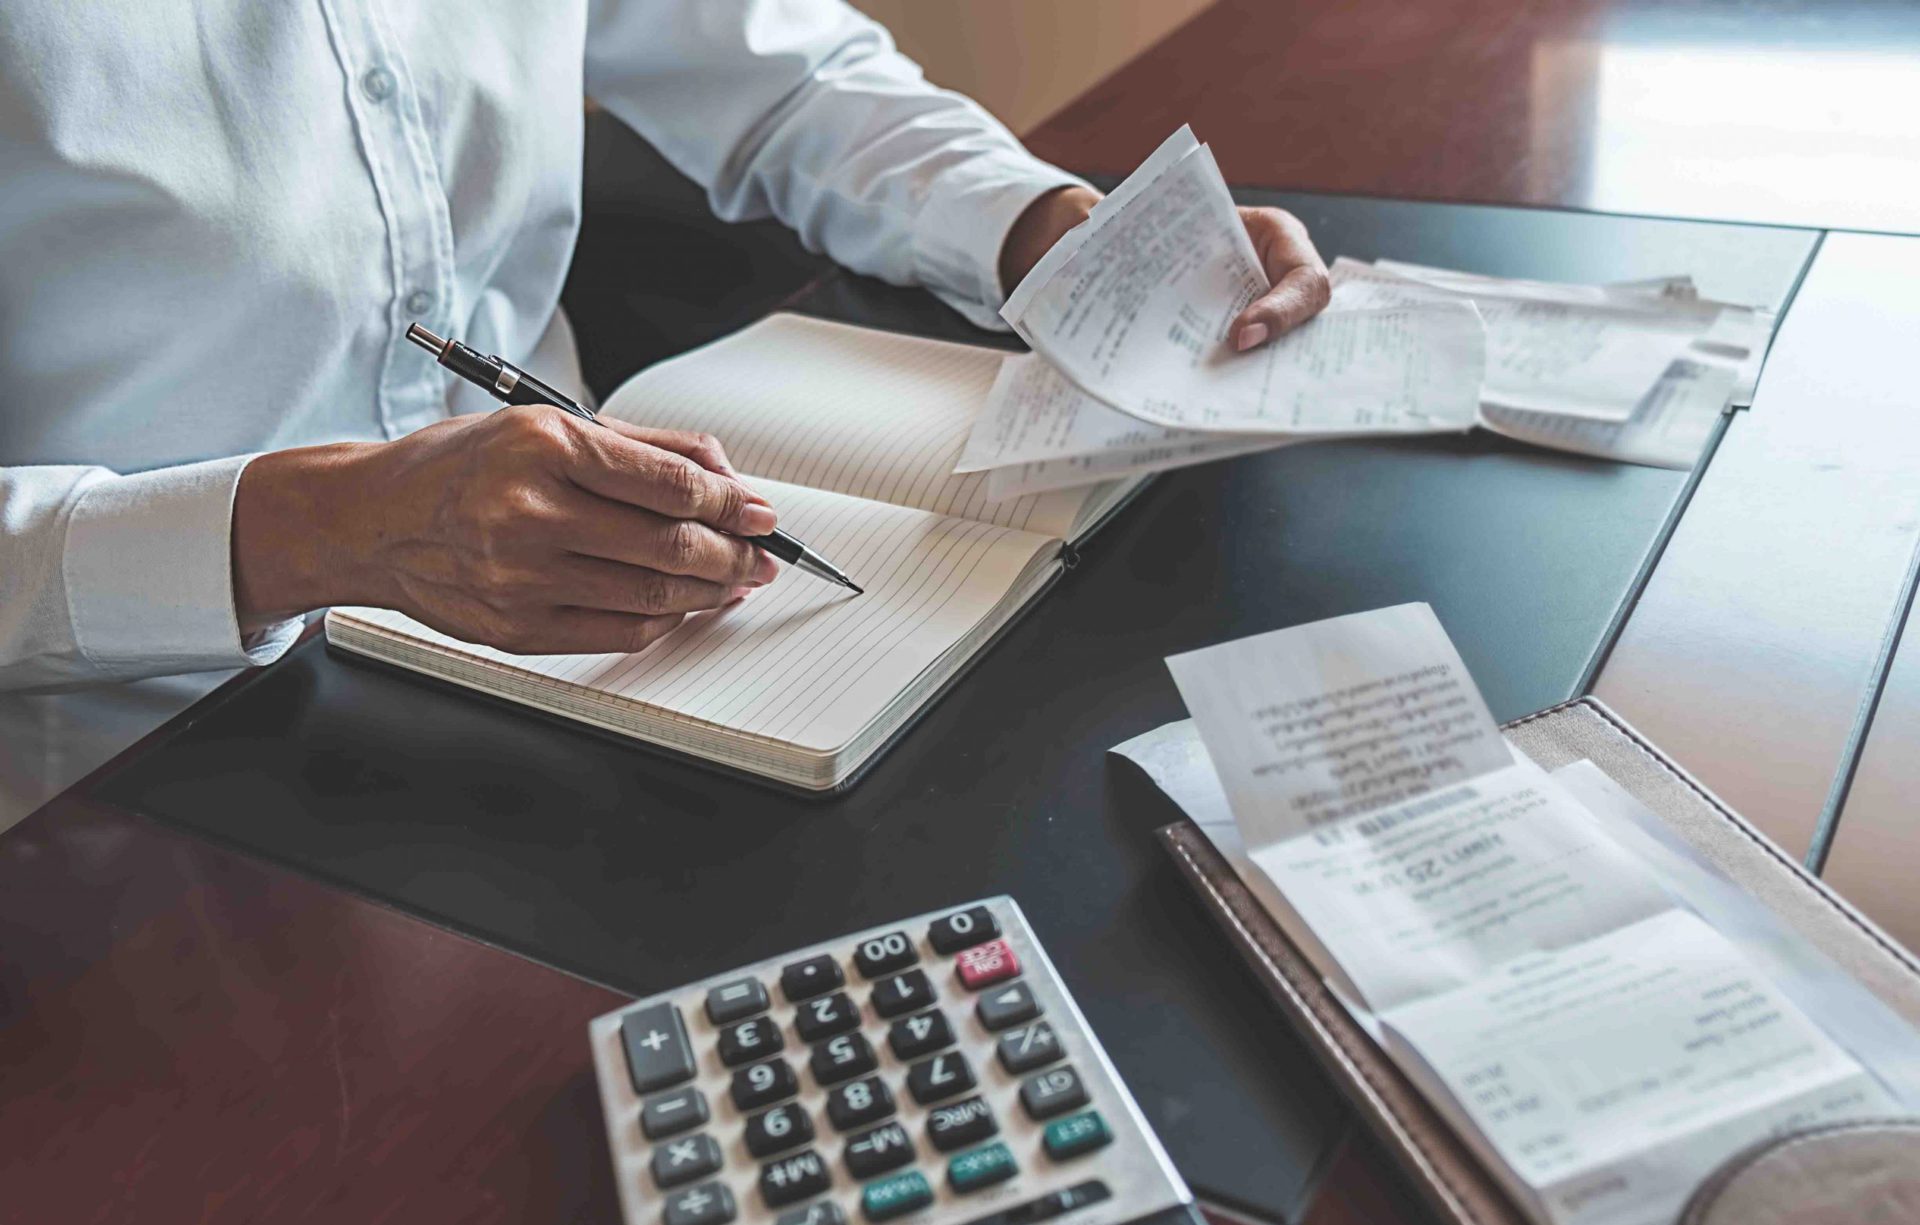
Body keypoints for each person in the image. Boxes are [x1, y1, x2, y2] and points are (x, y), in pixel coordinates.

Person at [0, 0, 1330, 827]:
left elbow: (782, 74)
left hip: (577, 634)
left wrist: (1049, 230)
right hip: (135, 761)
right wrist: (309, 528)